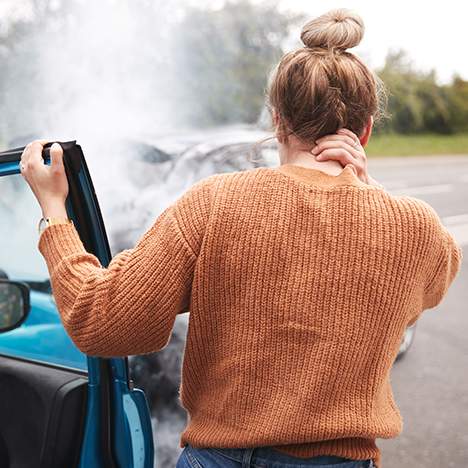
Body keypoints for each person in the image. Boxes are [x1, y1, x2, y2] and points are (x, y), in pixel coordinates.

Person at [20, 9, 462, 468]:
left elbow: (102, 321)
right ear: (366, 129)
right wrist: (367, 189)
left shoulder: (214, 203)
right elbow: (437, 277)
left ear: (277, 121)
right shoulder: (415, 226)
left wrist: (55, 213)